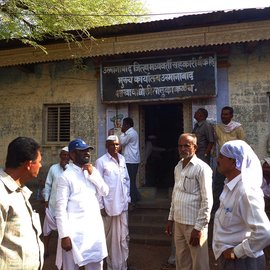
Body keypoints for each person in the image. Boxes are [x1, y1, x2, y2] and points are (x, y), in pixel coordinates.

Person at [212, 140, 270, 270]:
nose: (217, 160)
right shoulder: (230, 186)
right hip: (231, 259)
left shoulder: (246, 191)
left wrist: (237, 252)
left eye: (221, 156)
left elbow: (264, 233)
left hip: (242, 262)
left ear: (233, 161)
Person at [55, 138, 109, 270]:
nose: (87, 153)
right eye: (82, 151)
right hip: (74, 232)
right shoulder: (65, 177)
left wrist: (92, 175)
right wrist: (64, 236)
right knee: (71, 267)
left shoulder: (92, 171)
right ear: (72, 155)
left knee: (96, 264)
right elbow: (60, 209)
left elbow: (105, 191)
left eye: (88, 150)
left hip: (93, 230)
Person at [165, 133, 213, 270]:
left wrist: (198, 228)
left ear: (195, 147)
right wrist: (170, 219)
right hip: (179, 222)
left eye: (186, 145)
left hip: (194, 224)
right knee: (181, 261)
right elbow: (176, 194)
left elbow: (207, 200)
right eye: (180, 146)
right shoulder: (178, 167)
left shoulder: (202, 168)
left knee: (199, 263)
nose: (182, 149)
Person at [0, 136, 44, 269]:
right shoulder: (2, 194)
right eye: (39, 161)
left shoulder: (19, 191)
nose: (41, 165)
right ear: (29, 164)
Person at [95, 135, 130, 270]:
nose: (115, 147)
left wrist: (128, 198)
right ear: (106, 146)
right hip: (109, 206)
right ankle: (111, 266)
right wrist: (100, 205)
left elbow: (126, 181)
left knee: (123, 237)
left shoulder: (122, 159)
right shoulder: (101, 162)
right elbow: (98, 186)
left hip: (122, 205)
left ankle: (122, 265)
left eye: (117, 144)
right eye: (112, 145)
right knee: (110, 239)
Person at [212, 106, 245, 215]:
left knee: (235, 186)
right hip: (221, 161)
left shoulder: (238, 128)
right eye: (222, 114)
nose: (223, 116)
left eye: (226, 114)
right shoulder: (217, 128)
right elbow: (216, 143)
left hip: (234, 162)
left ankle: (234, 210)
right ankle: (216, 210)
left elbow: (242, 145)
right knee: (218, 185)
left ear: (231, 115)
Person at [42, 146, 69, 257]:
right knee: (47, 229)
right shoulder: (53, 168)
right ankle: (46, 249)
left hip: (66, 207)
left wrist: (67, 168)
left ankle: (63, 253)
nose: (65, 157)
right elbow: (48, 185)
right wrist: (46, 200)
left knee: (64, 230)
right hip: (52, 204)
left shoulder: (72, 169)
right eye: (63, 154)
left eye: (67, 155)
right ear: (60, 156)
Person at [119, 117, 140, 208]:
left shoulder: (130, 133)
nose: (122, 127)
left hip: (130, 160)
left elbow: (121, 142)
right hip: (131, 160)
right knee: (131, 180)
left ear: (127, 125)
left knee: (130, 181)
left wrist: (121, 133)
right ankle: (137, 197)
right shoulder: (131, 133)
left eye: (123, 125)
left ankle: (134, 201)